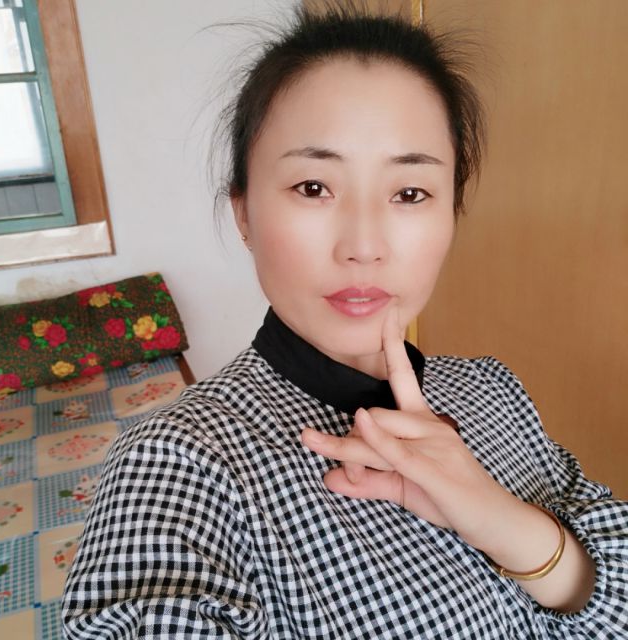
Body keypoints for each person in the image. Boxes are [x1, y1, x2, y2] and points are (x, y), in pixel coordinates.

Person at [61, 4, 628, 638]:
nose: (363, 246)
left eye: (409, 193)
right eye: (313, 187)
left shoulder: (494, 390)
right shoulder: (179, 461)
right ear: (244, 214)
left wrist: (501, 521)